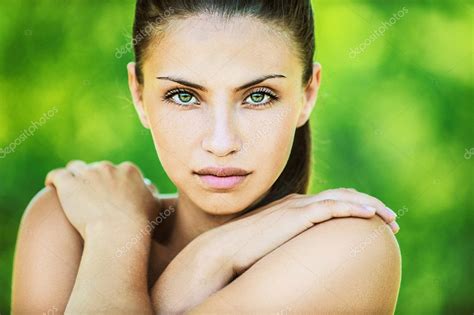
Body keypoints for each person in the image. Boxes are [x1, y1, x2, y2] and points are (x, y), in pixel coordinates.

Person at [12, 0, 401, 313]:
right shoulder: (69, 223)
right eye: (184, 96)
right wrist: (116, 230)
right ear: (139, 95)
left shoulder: (349, 248)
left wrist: (202, 257)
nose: (221, 142)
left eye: (258, 96)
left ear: (307, 94)